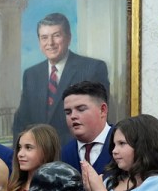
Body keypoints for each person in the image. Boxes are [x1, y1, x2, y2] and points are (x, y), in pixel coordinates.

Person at [13, 13, 110, 147]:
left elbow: (97, 118)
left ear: (68, 38)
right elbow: (22, 120)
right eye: (44, 37)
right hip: (38, 154)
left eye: (56, 35)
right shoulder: (31, 74)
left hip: (76, 152)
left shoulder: (92, 68)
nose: (50, 43)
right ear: (39, 42)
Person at [60, 81, 113, 173]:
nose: (73, 116)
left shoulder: (127, 144)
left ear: (102, 110)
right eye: (68, 112)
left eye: (81, 109)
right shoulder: (65, 153)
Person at [8, 123, 60, 191]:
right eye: (19, 147)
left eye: (28, 147)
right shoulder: (11, 190)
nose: (20, 154)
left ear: (46, 151)